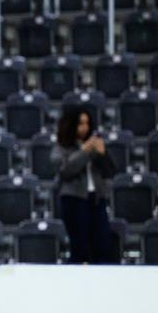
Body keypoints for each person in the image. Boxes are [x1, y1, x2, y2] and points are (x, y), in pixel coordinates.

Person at [52, 106, 116, 264]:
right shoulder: (61, 147)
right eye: (80, 123)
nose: (84, 127)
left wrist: (103, 154)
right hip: (73, 199)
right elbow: (66, 171)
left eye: (87, 123)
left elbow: (110, 171)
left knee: (102, 243)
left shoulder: (94, 145)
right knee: (80, 246)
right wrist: (84, 151)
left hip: (96, 198)